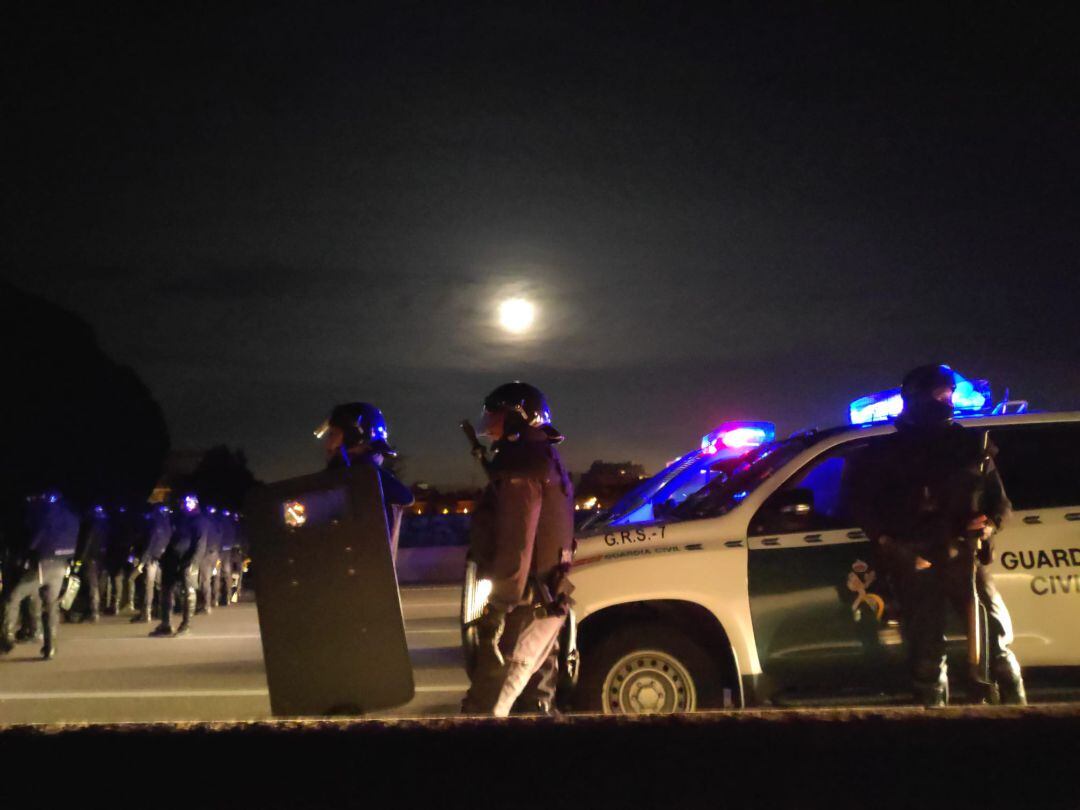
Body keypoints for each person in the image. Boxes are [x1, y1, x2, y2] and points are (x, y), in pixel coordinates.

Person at [850, 364, 1025, 707]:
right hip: (915, 558)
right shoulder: (885, 453)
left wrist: (987, 524)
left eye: (948, 394)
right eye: (937, 394)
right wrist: (886, 541)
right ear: (916, 397)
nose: (945, 400)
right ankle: (934, 726)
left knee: (995, 644)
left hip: (965, 557)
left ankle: (1023, 719)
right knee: (927, 651)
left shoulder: (972, 447)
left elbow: (1000, 504)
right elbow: (863, 505)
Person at [460, 382, 575, 716]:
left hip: (523, 607)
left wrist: (497, 610)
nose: (489, 427)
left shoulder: (521, 466)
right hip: (548, 603)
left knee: (484, 708)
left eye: (494, 416)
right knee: (535, 706)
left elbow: (516, 544)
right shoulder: (544, 459)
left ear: (515, 417)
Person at [315, 402, 414, 560]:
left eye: (333, 434)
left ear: (354, 437)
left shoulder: (370, 482)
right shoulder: (351, 480)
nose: (328, 444)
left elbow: (404, 497)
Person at [0, 492, 79, 659]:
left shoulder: (49, 514)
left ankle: (7, 638)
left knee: (13, 598)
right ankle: (50, 647)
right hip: (62, 565)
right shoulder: (72, 517)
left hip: (43, 564)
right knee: (51, 606)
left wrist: (27, 552)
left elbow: (38, 536)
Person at [150, 494, 207, 638]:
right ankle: (166, 624)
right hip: (173, 559)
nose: (182, 506)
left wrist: (193, 563)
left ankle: (186, 625)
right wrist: (165, 557)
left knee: (189, 591)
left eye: (185, 503)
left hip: (187, 561)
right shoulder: (181, 518)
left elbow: (200, 544)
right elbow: (174, 538)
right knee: (166, 590)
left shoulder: (198, 520)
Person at [131, 504, 172, 624]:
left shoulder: (155, 525)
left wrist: (142, 562)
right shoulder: (168, 525)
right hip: (163, 559)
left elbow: (150, 545)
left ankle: (146, 613)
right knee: (162, 586)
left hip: (152, 559)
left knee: (149, 585)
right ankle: (161, 611)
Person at [73, 505, 109, 622]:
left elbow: (86, 544)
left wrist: (79, 561)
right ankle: (94, 610)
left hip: (90, 560)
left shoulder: (90, 526)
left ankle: (93, 612)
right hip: (101, 560)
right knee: (97, 586)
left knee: (91, 586)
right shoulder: (104, 526)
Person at [197, 505, 223, 615]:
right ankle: (215, 600)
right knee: (215, 578)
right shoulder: (218, 523)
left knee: (205, 580)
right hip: (216, 554)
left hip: (206, 555)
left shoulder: (205, 523)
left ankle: (206, 605)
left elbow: (202, 541)